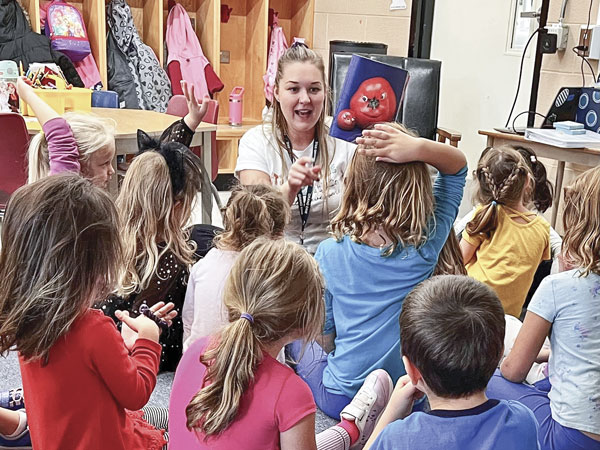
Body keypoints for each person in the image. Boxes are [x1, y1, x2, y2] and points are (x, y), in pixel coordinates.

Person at [289, 122, 467, 419]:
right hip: (409, 398)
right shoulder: (425, 245)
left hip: (340, 398)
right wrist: (418, 148)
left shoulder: (329, 253)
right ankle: (382, 410)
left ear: (353, 184)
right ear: (418, 185)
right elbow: (457, 169)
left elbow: (324, 335)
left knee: (297, 338)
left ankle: (357, 419)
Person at [0, 174, 177, 450]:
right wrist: (149, 339)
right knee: (175, 421)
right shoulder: (93, 328)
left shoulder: (27, 319)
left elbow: (83, 375)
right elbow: (137, 393)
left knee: (160, 418)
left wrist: (124, 347)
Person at [170, 238, 393, 450]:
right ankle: (353, 430)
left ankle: (350, 430)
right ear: (306, 321)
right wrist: (390, 418)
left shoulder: (197, 350)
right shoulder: (290, 392)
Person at [488, 166, 600, 450]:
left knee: (489, 379)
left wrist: (558, 275)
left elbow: (513, 371)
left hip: (570, 439)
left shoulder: (559, 286)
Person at [364, 275, 540, 450]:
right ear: (500, 353)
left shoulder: (396, 439)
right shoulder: (522, 420)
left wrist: (390, 415)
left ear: (411, 370)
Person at [236, 44, 356, 253]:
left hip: (334, 257)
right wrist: (289, 189)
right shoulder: (255, 141)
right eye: (293, 89)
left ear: (325, 92)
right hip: (276, 258)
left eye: (314, 89)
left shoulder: (343, 138)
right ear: (276, 92)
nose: (305, 99)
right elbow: (254, 220)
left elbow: (363, 211)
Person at [99, 139, 204, 372]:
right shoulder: (170, 260)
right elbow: (137, 336)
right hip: (138, 362)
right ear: (176, 207)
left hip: (96, 345)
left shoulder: (107, 238)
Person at [18, 77, 209, 189]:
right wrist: (26, 93)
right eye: (103, 164)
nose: (112, 171)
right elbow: (59, 132)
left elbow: (157, 166)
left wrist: (190, 122)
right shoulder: (61, 200)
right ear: (76, 165)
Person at [182, 184, 290, 351]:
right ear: (278, 234)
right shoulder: (272, 274)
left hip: (198, 363)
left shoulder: (204, 264)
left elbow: (189, 323)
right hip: (251, 367)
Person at [460, 146, 551, 318]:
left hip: (469, 305)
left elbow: (458, 260)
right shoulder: (541, 228)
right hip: (507, 317)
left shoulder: (485, 215)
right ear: (527, 181)